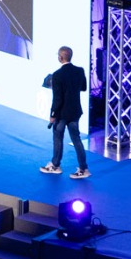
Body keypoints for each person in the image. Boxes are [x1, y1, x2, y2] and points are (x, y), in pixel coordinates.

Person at [41, 45, 90, 178]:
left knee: (58, 138)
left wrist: (52, 115)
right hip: (75, 111)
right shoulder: (80, 71)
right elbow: (84, 88)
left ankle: (55, 165)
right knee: (76, 139)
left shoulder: (57, 75)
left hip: (62, 113)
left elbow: (57, 98)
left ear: (60, 57)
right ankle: (83, 169)